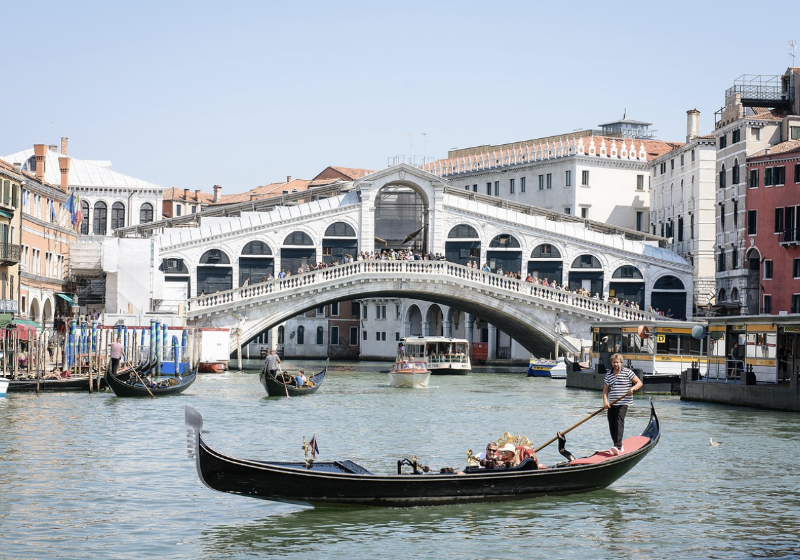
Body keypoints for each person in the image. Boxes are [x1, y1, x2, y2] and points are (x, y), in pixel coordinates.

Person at [602, 353, 642, 456]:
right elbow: (605, 390)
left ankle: (618, 446)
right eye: (614, 362)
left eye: (617, 362)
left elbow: (639, 383)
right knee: (612, 423)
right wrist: (605, 402)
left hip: (624, 402)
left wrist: (632, 389)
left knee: (619, 421)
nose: (615, 364)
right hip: (612, 403)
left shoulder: (628, 372)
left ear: (621, 362)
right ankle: (616, 444)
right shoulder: (609, 374)